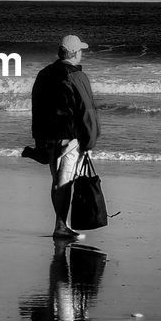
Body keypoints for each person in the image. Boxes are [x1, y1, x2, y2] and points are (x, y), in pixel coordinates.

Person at [30, 34, 100, 240]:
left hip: (47, 136)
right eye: (81, 51)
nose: (82, 54)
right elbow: (88, 111)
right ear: (75, 53)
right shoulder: (77, 77)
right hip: (69, 137)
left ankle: (61, 224)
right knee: (65, 181)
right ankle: (61, 226)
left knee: (57, 181)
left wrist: (38, 139)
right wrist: (90, 140)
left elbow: (37, 107)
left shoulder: (43, 74)